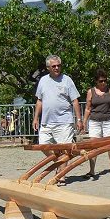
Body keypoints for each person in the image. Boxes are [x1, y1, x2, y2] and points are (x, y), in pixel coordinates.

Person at [32, 54, 83, 182]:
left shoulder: (67, 80)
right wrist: (35, 118)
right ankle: (58, 163)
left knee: (65, 148)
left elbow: (75, 101)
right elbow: (39, 101)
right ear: (48, 67)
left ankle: (61, 175)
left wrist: (79, 119)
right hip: (46, 121)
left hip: (64, 121)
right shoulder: (43, 81)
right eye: (53, 66)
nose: (56, 68)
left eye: (58, 65)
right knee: (43, 145)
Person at [82, 69, 110, 177]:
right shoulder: (91, 92)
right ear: (96, 81)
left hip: (109, 120)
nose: (103, 83)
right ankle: (92, 170)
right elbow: (88, 108)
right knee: (93, 145)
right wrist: (84, 122)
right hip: (95, 121)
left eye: (105, 80)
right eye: (101, 81)